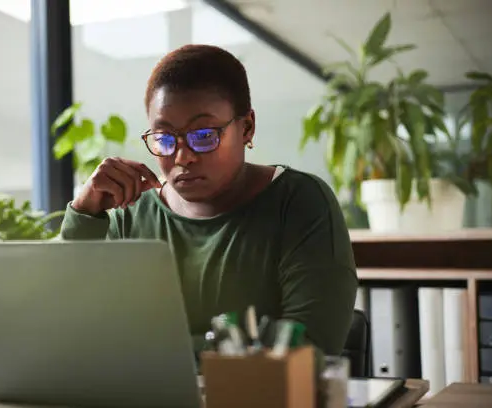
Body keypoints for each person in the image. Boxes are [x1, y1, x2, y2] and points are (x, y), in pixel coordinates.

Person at [60, 44, 358, 357]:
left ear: (246, 128)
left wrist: (149, 349)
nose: (182, 157)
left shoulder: (299, 203)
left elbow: (311, 349)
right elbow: (71, 334)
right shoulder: (129, 211)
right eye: (164, 138)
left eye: (203, 136)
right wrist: (83, 214)